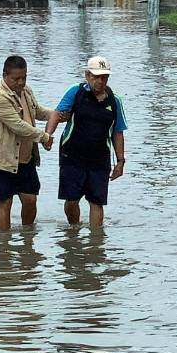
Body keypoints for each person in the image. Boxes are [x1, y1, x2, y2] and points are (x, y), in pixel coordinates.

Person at [45, 56, 128, 228]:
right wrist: (48, 135)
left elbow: (118, 132)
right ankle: (73, 231)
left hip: (100, 158)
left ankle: (96, 240)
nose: (100, 81)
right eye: (96, 77)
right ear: (87, 75)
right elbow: (56, 114)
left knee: (97, 202)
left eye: (104, 77)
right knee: (71, 200)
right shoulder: (75, 92)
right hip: (72, 155)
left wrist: (120, 161)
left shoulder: (114, 101)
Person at [0, 55, 57, 231]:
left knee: (30, 199)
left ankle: (28, 237)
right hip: (1, 159)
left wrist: (57, 114)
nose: (21, 82)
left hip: (25, 157)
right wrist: (44, 137)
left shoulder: (26, 90)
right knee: (5, 203)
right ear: (5, 75)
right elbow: (18, 126)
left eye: (24, 77)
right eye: (16, 79)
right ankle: (4, 242)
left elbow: (37, 111)